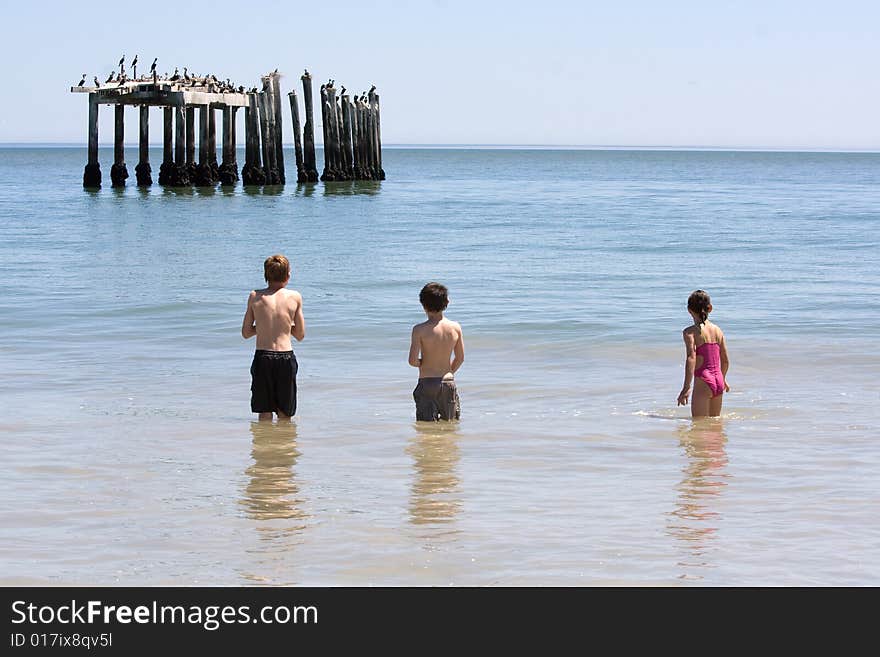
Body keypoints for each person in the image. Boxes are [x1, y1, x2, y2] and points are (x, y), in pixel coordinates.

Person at [241, 254, 305, 421]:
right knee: (285, 414)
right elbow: (300, 334)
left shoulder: (255, 296)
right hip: (285, 357)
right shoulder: (295, 297)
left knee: (264, 412)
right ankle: (284, 447)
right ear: (288, 275)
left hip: (263, 358)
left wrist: (263, 327)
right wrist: (284, 327)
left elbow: (246, 332)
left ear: (266, 275)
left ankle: (264, 447)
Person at [408, 282, 465, 421]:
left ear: (423, 305)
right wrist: (449, 371)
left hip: (427, 383)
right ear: (447, 302)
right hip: (448, 382)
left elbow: (412, 361)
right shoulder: (455, 327)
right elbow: (460, 358)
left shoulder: (419, 330)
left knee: (426, 425)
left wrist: (423, 363)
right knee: (450, 423)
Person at [677, 290, 730, 417]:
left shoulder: (690, 332)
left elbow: (691, 358)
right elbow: (725, 360)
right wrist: (723, 378)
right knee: (714, 426)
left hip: (704, 381)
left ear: (689, 310)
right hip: (719, 381)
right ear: (710, 308)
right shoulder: (718, 330)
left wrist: (686, 387)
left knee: (699, 426)